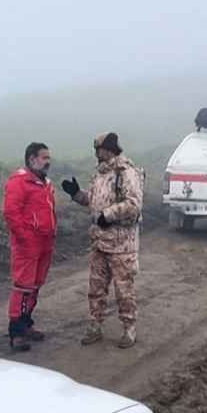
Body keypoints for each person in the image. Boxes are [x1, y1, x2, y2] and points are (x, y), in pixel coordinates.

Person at [62, 133, 145, 349]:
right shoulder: (100, 174)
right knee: (96, 288)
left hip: (122, 244)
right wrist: (77, 194)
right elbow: (94, 201)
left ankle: (129, 328)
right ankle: (95, 326)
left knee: (123, 290)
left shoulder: (127, 172)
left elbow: (133, 204)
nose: (95, 154)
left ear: (106, 150)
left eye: (97, 150)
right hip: (99, 241)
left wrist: (107, 215)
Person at [3, 142, 57, 352]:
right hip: (28, 243)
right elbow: (11, 213)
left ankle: (26, 323)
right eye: (44, 158)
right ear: (32, 159)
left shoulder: (44, 182)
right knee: (22, 286)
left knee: (35, 285)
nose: (48, 161)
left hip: (45, 242)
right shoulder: (19, 181)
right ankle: (16, 331)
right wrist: (24, 238)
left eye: (48, 157)